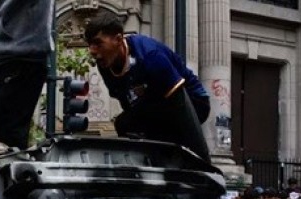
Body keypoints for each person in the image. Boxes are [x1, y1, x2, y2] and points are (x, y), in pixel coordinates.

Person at [84, 13, 211, 162]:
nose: (92, 51)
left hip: (190, 100)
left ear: (118, 40)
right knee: (124, 123)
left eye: (98, 43)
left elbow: (180, 103)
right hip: (153, 103)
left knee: (171, 138)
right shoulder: (105, 65)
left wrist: (202, 158)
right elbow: (129, 105)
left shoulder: (150, 56)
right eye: (90, 45)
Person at [0, 0, 53, 150]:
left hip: (21, 52)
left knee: (6, 131)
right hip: (15, 53)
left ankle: (9, 169)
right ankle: (7, 166)